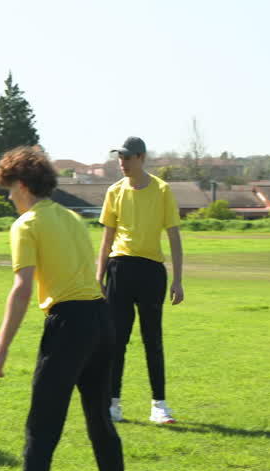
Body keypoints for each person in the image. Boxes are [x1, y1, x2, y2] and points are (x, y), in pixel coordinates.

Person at [0, 146, 131, 471]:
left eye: (11, 190)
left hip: (69, 326)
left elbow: (22, 288)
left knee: (41, 427)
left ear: (25, 186)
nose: (10, 198)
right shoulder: (69, 218)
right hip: (101, 321)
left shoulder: (27, 224)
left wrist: (0, 349)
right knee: (99, 418)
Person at [97, 136, 184, 425]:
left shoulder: (162, 190)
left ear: (141, 157)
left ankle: (159, 406)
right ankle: (113, 404)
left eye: (127, 157)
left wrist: (178, 279)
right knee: (116, 341)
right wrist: (99, 275)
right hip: (120, 269)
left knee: (152, 340)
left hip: (151, 272)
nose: (122, 162)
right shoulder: (114, 191)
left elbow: (173, 234)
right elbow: (107, 237)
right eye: (119, 157)